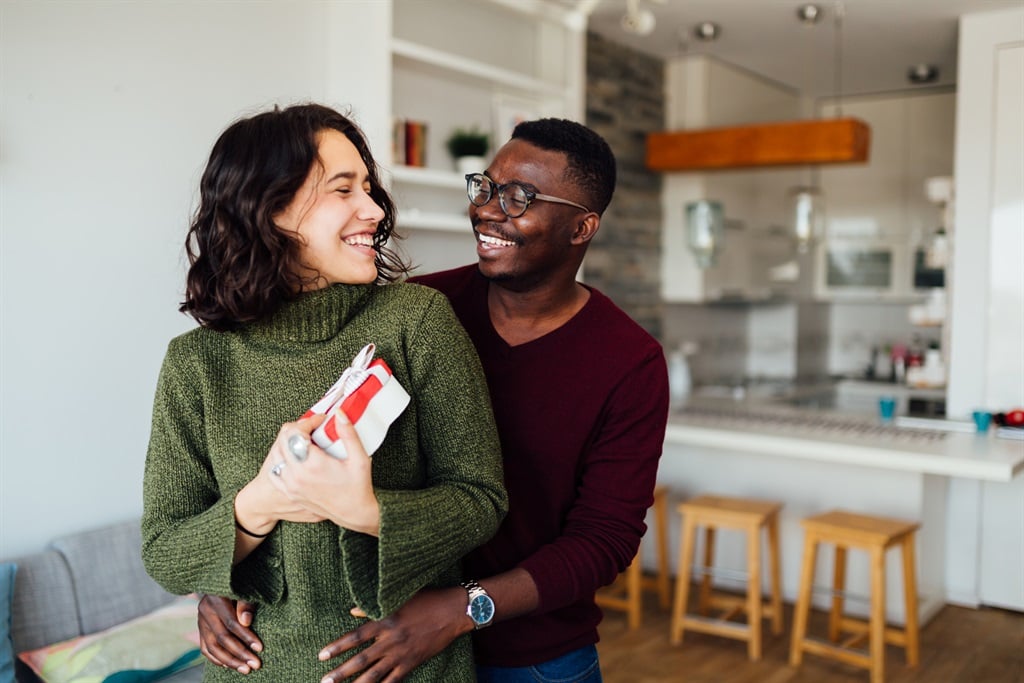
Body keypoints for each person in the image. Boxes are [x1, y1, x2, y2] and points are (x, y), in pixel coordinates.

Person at [196, 118, 669, 682]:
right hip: (394, 636)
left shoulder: (629, 362)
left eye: (520, 197)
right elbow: (286, 452)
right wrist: (221, 569)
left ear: (581, 227)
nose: (490, 210)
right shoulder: (418, 311)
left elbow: (604, 540)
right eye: (486, 187)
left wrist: (461, 608)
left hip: (536, 656)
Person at [141, 103, 507, 682]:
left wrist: (365, 511)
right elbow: (164, 551)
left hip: (411, 669)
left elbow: (481, 499)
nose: (373, 208)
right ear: (270, 210)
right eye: (343, 190)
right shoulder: (196, 364)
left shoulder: (417, 323)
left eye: (368, 187)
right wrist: (259, 505)